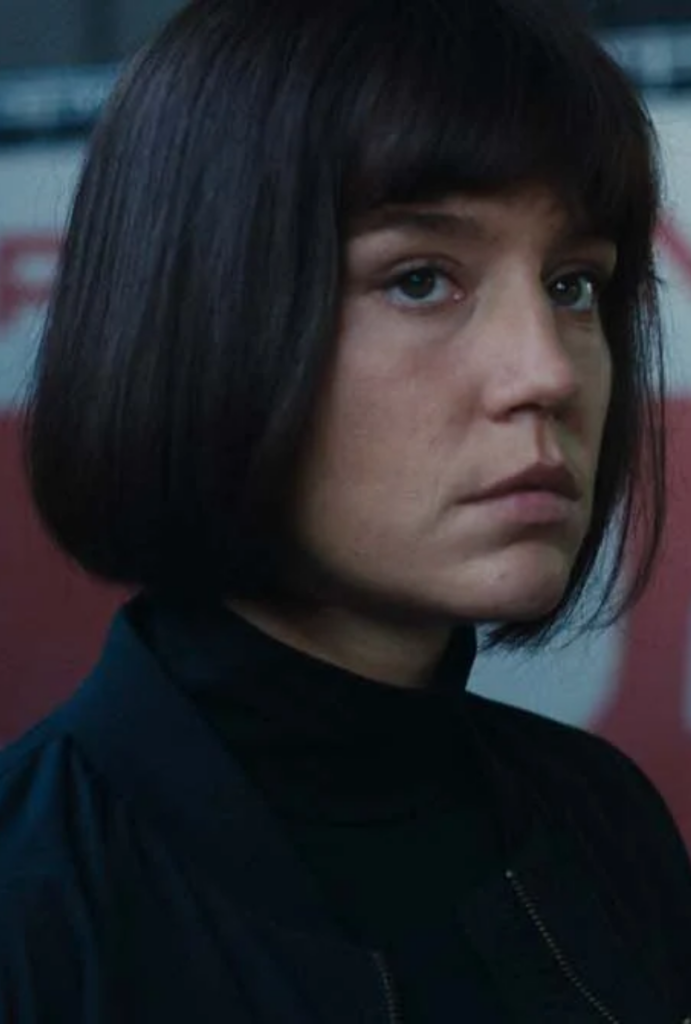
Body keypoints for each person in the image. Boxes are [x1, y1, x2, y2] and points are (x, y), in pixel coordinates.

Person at [2, 0, 690, 1019]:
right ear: (199, 319)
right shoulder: (35, 905)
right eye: (419, 280)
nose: (546, 371)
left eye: (572, 285)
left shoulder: (606, 827)